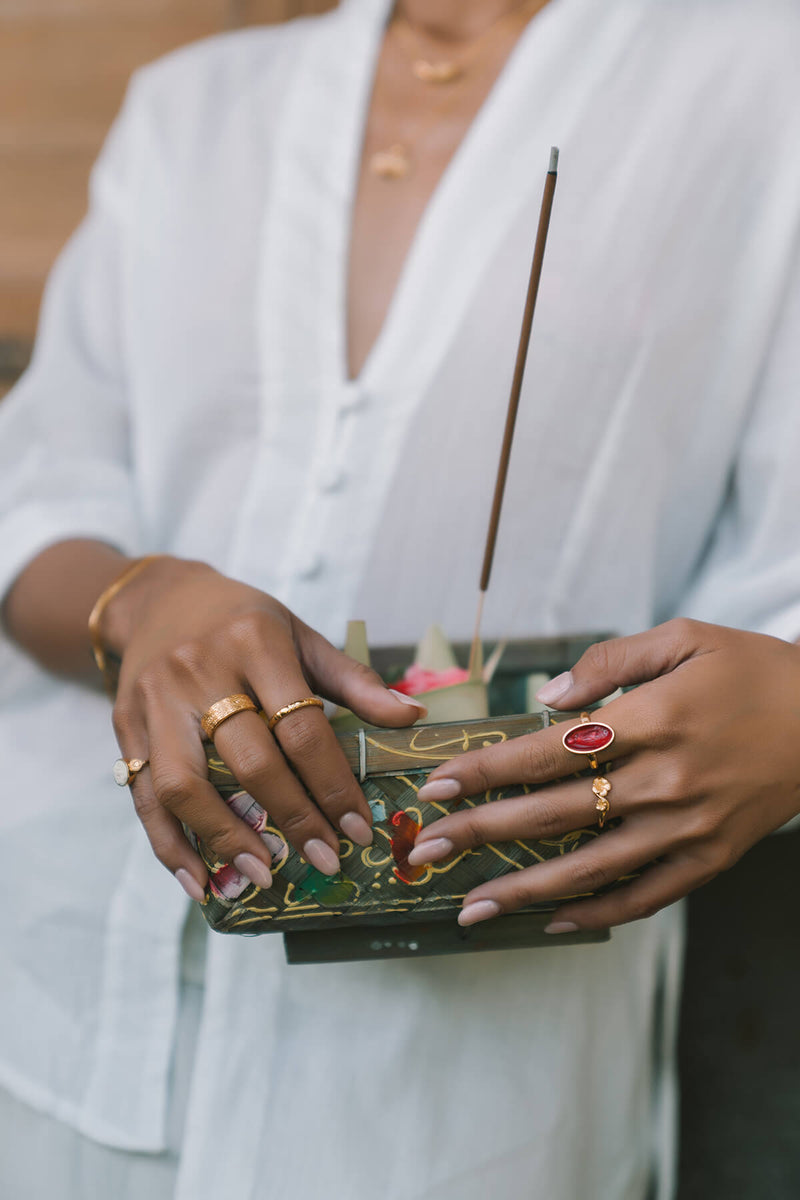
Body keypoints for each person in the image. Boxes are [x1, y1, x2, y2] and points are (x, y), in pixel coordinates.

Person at [1, 0, 800, 1196]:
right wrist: (142, 599)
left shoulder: (760, 72)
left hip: (469, 1074)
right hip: (51, 995)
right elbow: (39, 490)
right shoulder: (193, 107)